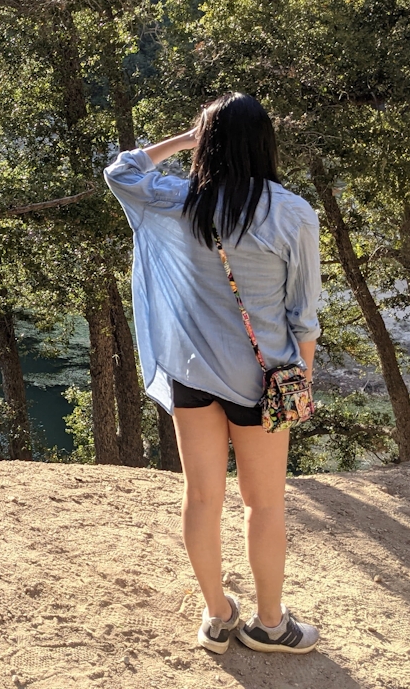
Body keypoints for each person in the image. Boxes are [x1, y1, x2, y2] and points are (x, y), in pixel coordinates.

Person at [103, 92, 322, 655]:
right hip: (264, 380)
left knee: (201, 498)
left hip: (193, 375)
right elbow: (303, 317)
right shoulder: (293, 213)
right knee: (265, 504)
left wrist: (183, 141)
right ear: (265, 143)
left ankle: (218, 617)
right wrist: (303, 383)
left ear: (209, 145)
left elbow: (122, 169)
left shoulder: (179, 200)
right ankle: (271, 625)